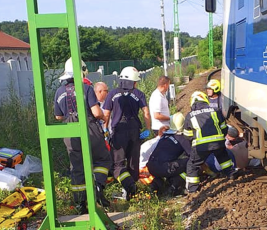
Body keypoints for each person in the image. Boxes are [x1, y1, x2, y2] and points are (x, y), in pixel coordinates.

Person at [54, 57, 112, 213]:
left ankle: (80, 205)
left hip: (70, 132)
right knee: (102, 158)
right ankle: (99, 186)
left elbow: (58, 117)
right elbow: (95, 111)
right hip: (89, 128)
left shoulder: (59, 91)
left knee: (77, 167)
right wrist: (103, 117)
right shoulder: (86, 88)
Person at [102, 66, 151, 200]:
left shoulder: (112, 94)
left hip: (119, 131)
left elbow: (106, 114)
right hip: (135, 131)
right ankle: (132, 192)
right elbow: (146, 112)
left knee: (117, 164)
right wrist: (148, 129)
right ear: (133, 82)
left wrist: (105, 130)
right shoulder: (139, 94)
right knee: (133, 162)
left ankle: (128, 187)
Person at [183, 91, 239, 193]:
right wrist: (219, 138)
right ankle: (231, 174)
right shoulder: (216, 110)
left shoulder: (190, 115)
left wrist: (195, 140)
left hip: (201, 146)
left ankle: (192, 189)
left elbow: (187, 135)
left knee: (193, 165)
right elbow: (224, 128)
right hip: (218, 142)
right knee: (223, 157)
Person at [146, 112, 191, 196]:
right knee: (190, 162)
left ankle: (155, 187)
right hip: (164, 167)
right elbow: (192, 155)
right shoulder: (181, 138)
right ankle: (174, 187)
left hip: (151, 166)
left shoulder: (165, 135)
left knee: (167, 167)